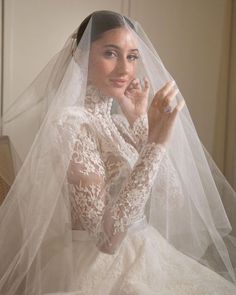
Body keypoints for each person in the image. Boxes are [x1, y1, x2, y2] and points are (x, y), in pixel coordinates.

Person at [0, 10, 236, 295]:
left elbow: (171, 198)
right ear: (80, 56)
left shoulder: (120, 122)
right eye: (111, 54)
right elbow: (106, 240)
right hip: (97, 269)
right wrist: (157, 143)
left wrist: (140, 125)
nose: (125, 69)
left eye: (133, 56)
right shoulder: (70, 125)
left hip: (145, 252)